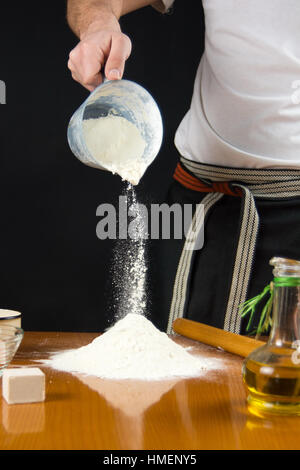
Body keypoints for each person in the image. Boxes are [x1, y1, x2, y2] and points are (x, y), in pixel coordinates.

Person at [66, 0, 300, 336]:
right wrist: (98, 25)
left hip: (293, 225)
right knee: (179, 378)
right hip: (199, 216)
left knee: (278, 379)